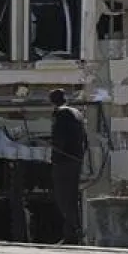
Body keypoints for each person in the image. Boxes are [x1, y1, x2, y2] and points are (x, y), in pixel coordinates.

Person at [49, 88, 88, 245]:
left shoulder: (59, 113)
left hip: (64, 161)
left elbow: (59, 139)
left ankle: (72, 233)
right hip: (76, 160)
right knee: (72, 197)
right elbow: (85, 138)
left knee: (62, 197)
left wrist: (54, 158)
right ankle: (73, 232)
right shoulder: (78, 113)